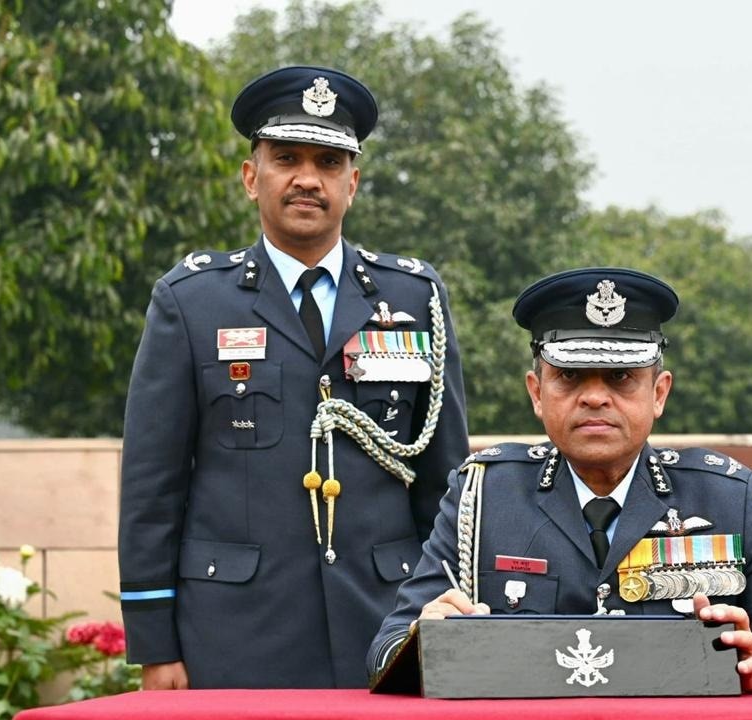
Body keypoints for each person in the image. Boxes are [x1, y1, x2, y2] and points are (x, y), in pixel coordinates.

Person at [117, 65, 469, 689]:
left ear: (352, 184)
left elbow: (445, 482)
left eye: (329, 163)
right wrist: (155, 644)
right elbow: (153, 486)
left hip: (387, 620)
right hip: (233, 631)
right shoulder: (191, 301)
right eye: (286, 159)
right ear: (252, 178)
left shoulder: (414, 297)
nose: (308, 178)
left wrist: (450, 613)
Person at [367, 267, 752, 693]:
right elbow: (387, 650)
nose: (594, 398)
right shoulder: (483, 496)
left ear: (659, 393)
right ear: (537, 393)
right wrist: (426, 639)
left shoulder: (726, 496)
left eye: (620, 378)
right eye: (569, 376)